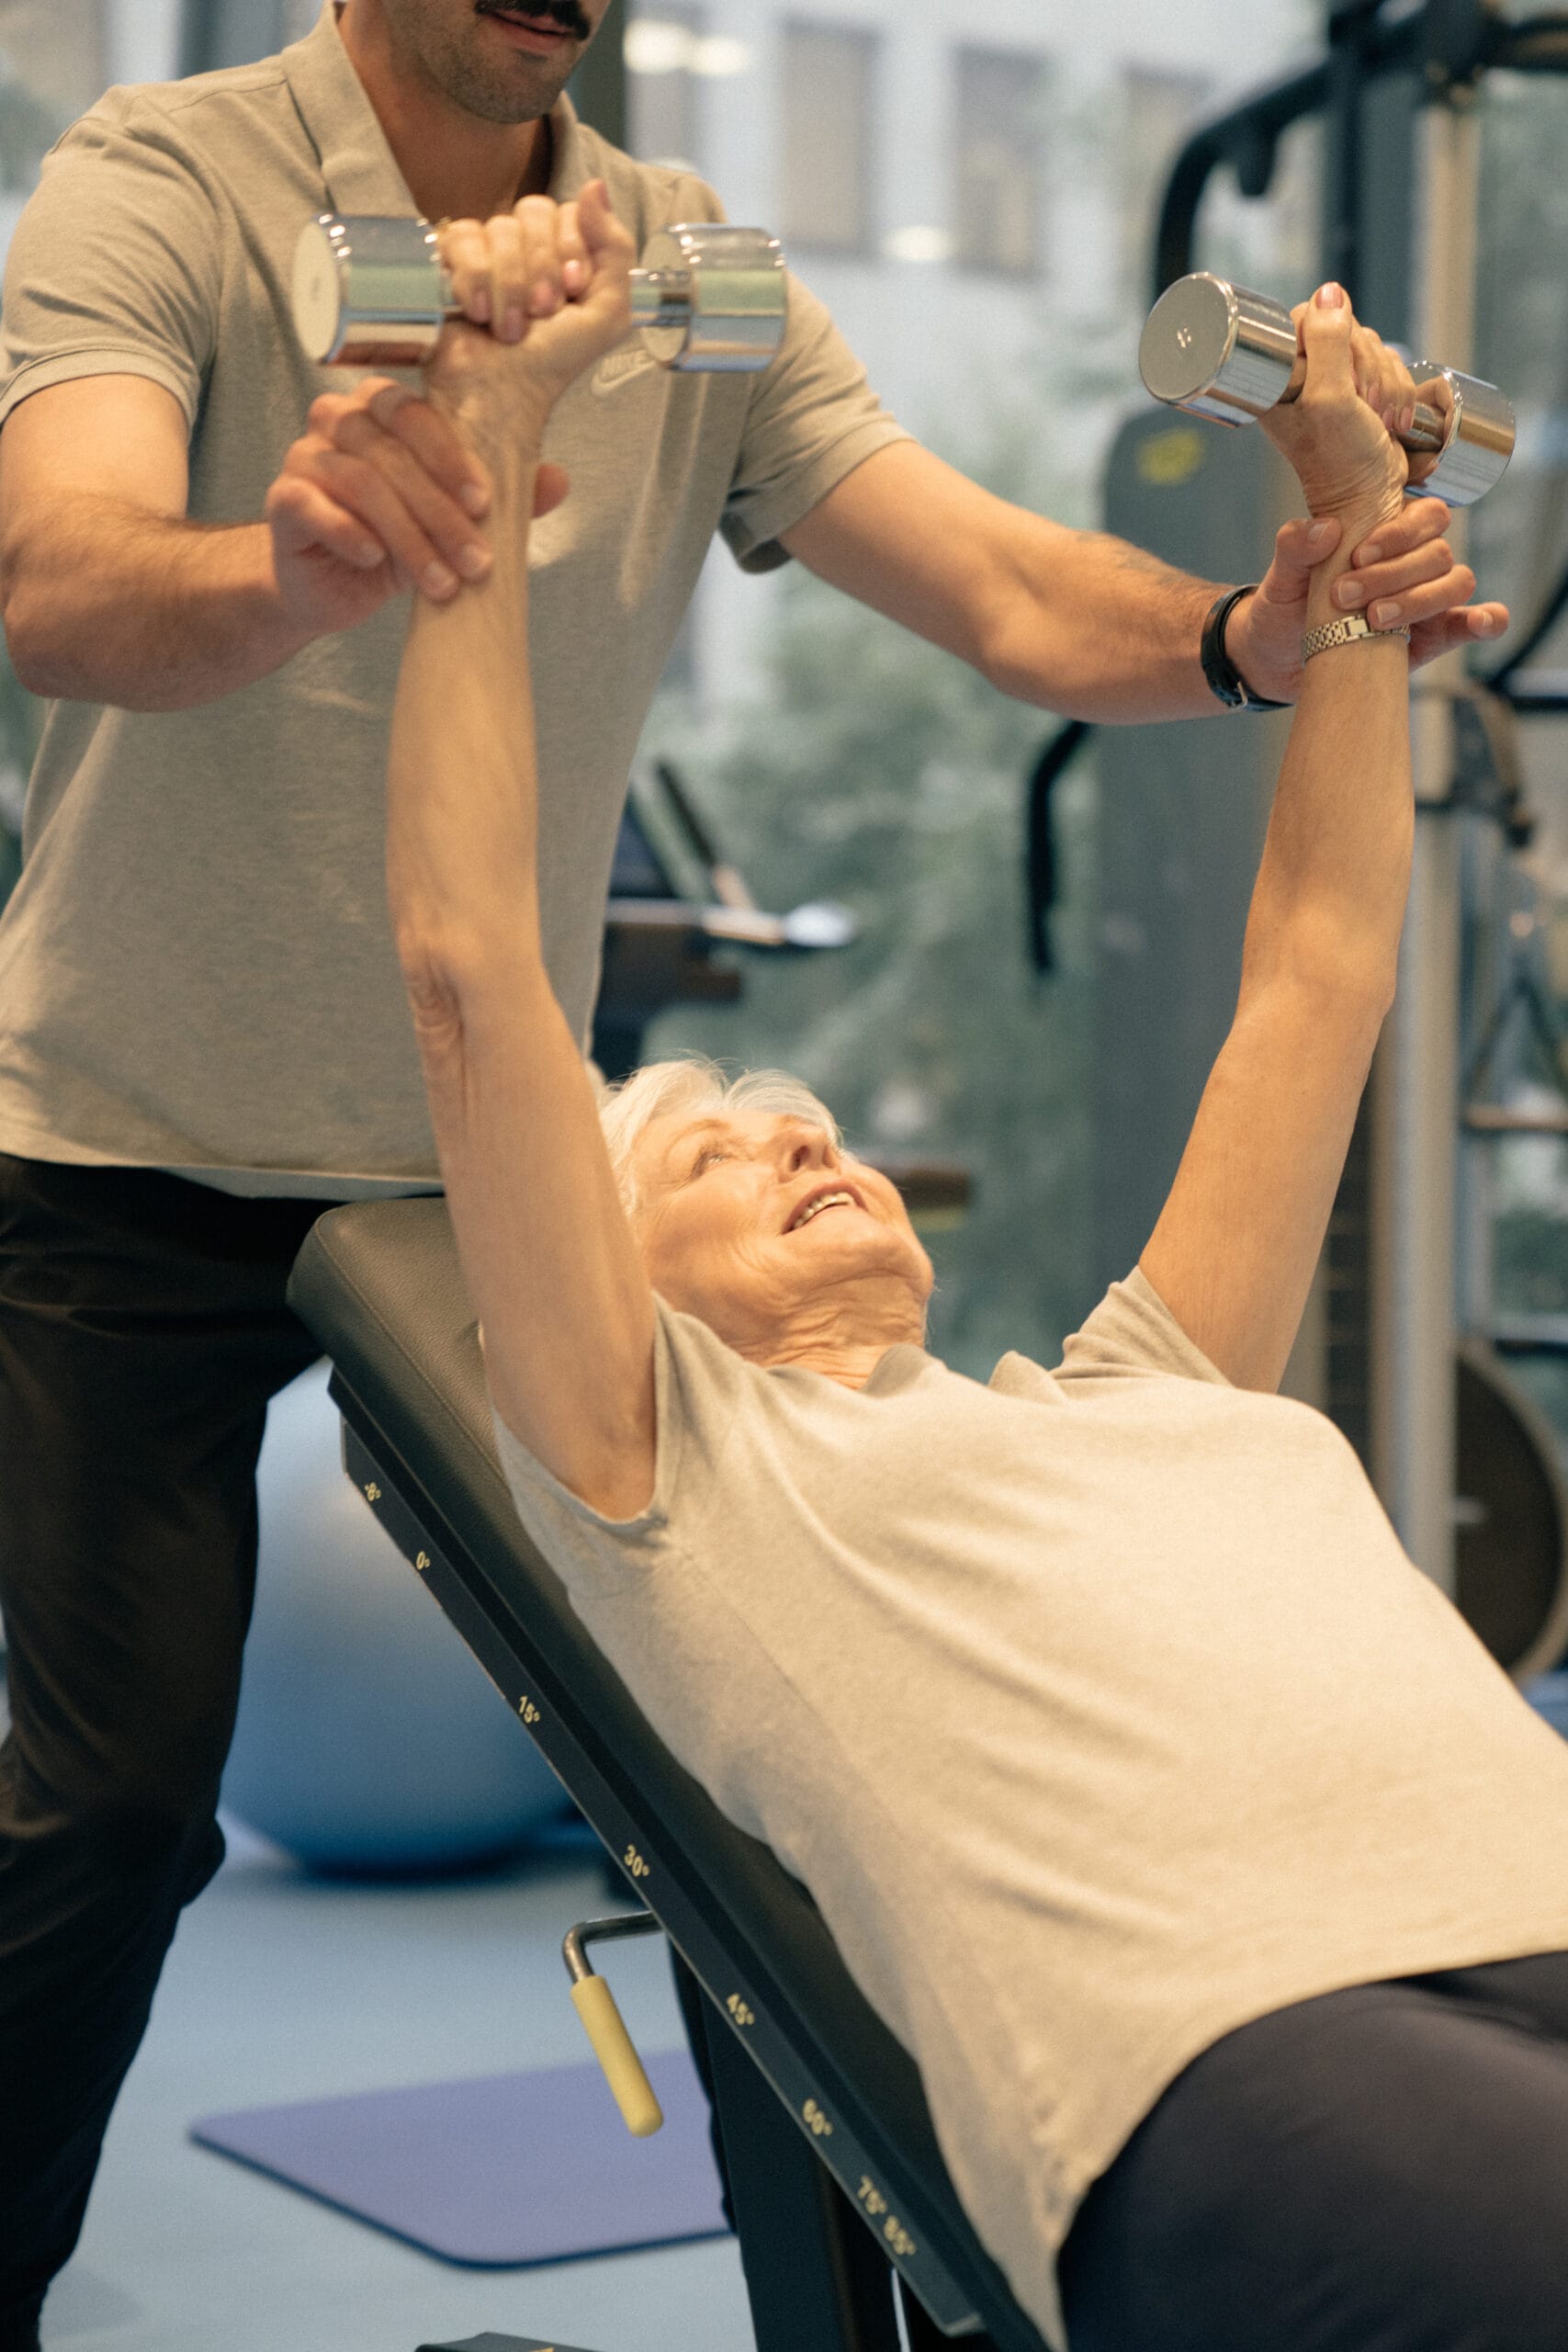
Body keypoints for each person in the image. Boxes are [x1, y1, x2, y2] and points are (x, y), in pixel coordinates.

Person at [0, 2, 1508, 2344]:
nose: (804, 1127)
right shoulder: (172, 173)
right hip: (128, 1130)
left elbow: (1014, 602)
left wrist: (1260, 620)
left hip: (464, 1148)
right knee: (100, 1814)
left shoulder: (685, 269)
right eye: (740, 1135)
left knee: (722, 1791)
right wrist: (320, 558)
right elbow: (52, 573)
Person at [387, 196, 1568, 2352]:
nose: (798, 1132)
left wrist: (1350, 529)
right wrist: (476, 433)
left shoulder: (1153, 1384)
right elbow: (472, 975)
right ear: (606, 1289)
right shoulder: (670, 1479)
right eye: (714, 1150)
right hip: (1231, 2036)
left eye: (799, 1115)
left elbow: (1312, 974)